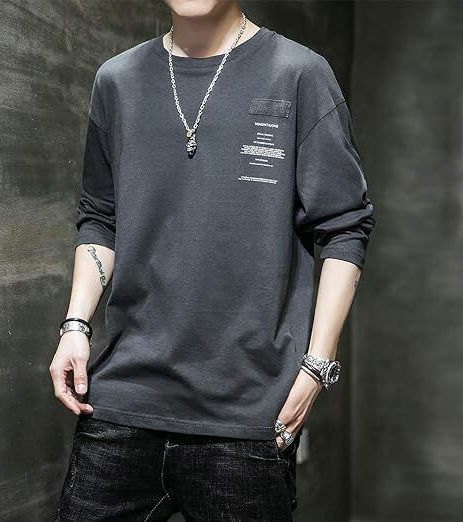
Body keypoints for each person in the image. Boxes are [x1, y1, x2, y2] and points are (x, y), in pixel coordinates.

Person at [50, 1, 376, 520]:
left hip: (246, 418)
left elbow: (344, 227)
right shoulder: (117, 80)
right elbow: (100, 216)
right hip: (121, 403)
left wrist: (316, 367)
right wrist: (75, 326)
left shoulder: (298, 74)